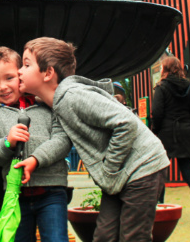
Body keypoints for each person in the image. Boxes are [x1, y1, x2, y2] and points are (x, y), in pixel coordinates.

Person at [17, 37, 169, 242]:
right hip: (119, 176)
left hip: (142, 168)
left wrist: (109, 170)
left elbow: (126, 124)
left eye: (26, 65)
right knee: (104, 237)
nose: (19, 70)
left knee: (133, 237)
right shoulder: (58, 101)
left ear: (48, 73)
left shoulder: (72, 96)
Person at [0, 46, 72, 242]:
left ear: (21, 73)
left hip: (52, 191)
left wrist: (36, 159)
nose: (2, 87)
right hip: (15, 195)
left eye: (9, 78)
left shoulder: (47, 104)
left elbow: (62, 141)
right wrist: (6, 143)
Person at [151, 55, 190, 226]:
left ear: (164, 69)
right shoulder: (188, 87)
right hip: (186, 132)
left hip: (166, 134)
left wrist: (155, 132)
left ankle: (160, 210)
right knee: (188, 173)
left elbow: (156, 113)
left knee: (160, 171)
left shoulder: (161, 87)